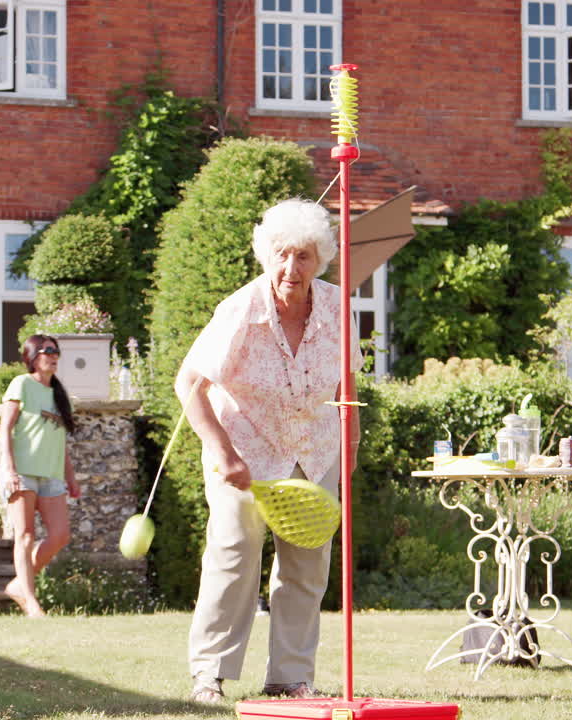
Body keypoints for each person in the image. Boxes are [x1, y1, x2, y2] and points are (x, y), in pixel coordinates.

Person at [175, 198, 361, 704]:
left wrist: (350, 448)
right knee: (233, 557)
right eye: (282, 254)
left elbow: (345, 385)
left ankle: (290, 678)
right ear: (266, 255)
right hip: (244, 451)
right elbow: (188, 383)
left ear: (319, 259)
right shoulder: (240, 309)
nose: (291, 267)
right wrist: (223, 453)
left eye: (303, 256)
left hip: (314, 451)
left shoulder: (336, 306)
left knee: (307, 566)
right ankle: (209, 675)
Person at [0, 334, 81, 617]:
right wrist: (9, 469)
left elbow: (60, 441)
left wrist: (70, 477)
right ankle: (32, 602)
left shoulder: (59, 394)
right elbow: (5, 429)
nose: (53, 355)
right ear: (32, 356)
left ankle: (19, 585)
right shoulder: (21, 384)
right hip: (22, 472)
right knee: (25, 536)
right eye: (47, 351)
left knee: (60, 535)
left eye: (56, 351)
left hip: (52, 475)